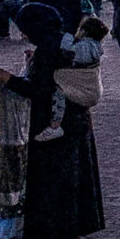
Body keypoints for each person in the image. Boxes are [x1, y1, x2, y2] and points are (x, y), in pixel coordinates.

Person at [0, 3, 104, 239]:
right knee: (77, 183)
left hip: (55, 130)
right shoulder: (64, 43)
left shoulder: (48, 49)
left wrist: (8, 79)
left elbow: (41, 90)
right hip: (77, 121)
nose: (24, 34)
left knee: (60, 186)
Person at [34, 15, 108, 143]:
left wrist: (67, 36)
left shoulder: (84, 46)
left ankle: (55, 125)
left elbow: (70, 52)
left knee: (59, 92)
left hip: (81, 83)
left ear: (84, 31)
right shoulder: (96, 46)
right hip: (92, 86)